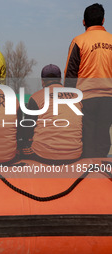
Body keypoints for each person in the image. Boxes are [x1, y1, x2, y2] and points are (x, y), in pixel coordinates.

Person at [64, 3, 112, 158]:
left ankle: (88, 175)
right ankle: (102, 175)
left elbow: (71, 74)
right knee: (103, 135)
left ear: (84, 22)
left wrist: (67, 101)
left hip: (85, 99)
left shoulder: (78, 41)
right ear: (103, 20)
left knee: (87, 138)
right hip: (108, 99)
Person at [22, 64, 83, 165]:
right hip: (75, 154)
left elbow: (27, 129)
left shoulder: (36, 97)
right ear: (60, 80)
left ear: (42, 81)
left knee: (19, 148)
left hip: (45, 155)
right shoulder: (76, 96)